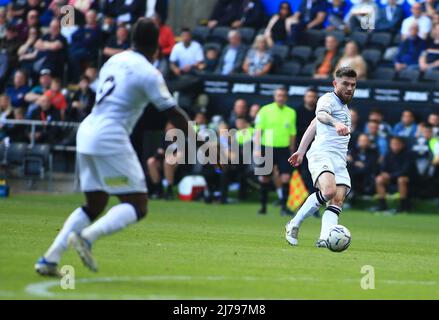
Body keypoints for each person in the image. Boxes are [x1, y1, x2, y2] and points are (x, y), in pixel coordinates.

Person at [34, 18, 192, 276]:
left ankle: (50, 258)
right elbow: (174, 115)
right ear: (156, 47)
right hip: (110, 134)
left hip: (87, 130)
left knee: (94, 203)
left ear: (131, 40)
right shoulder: (149, 72)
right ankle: (87, 238)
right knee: (138, 204)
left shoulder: (113, 60)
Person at [285, 67, 357, 248]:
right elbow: (321, 116)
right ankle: (293, 223)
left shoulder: (344, 108)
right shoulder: (327, 99)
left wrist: (300, 151)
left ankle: (325, 238)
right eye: (345, 84)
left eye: (353, 85)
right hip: (322, 153)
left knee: (337, 199)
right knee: (329, 191)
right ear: (335, 83)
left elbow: (313, 124)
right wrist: (335, 122)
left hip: (339, 159)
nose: (349, 88)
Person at [254, 86, 297, 216]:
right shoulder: (265, 110)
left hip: (283, 149)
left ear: (286, 97)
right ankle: (263, 207)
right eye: (278, 95)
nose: (280, 97)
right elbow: (258, 131)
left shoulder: (291, 112)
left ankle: (284, 208)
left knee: (286, 177)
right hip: (267, 147)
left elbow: (292, 133)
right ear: (274, 96)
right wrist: (256, 149)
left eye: (283, 95)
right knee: (264, 178)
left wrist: (292, 150)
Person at [375, 136, 412, 213]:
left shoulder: (408, 154)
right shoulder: (388, 154)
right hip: (391, 178)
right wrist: (384, 173)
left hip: (406, 179)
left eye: (397, 144)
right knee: (379, 179)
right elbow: (383, 168)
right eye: (393, 144)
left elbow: (405, 171)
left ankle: (403, 207)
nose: (395, 146)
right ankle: (382, 205)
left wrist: (391, 176)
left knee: (401, 179)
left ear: (402, 145)